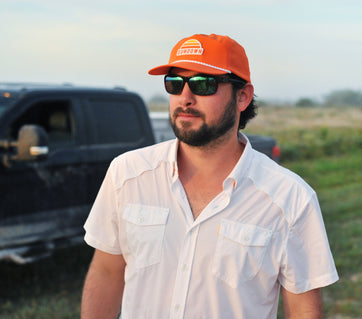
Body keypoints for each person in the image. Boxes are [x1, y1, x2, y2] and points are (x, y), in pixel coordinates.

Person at [81, 33, 339, 319]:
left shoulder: (290, 198)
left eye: (204, 84)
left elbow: (303, 309)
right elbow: (106, 271)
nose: (185, 98)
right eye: (175, 83)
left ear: (242, 96)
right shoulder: (127, 174)